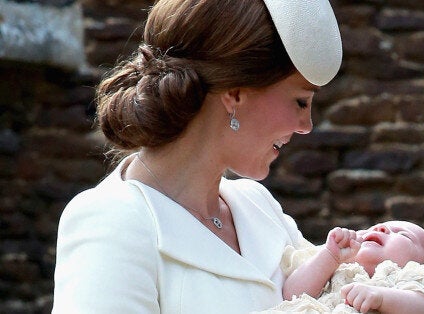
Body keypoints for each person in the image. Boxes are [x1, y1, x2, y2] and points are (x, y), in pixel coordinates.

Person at [52, 0, 342, 313]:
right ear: (235, 93)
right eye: (300, 102)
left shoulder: (260, 207)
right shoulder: (112, 222)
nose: (306, 127)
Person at [261, 221, 424, 314]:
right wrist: (328, 257)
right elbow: (291, 295)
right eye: (374, 227)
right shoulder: (334, 271)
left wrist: (382, 298)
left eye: (402, 234)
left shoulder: (412, 281)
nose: (381, 227)